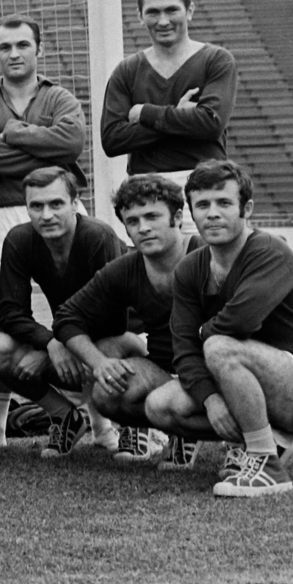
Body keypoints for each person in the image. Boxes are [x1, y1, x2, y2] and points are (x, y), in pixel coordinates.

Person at [168, 160, 293, 498]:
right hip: (243, 372)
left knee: (219, 346)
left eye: (224, 203)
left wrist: (200, 335)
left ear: (246, 208)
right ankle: (250, 442)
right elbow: (182, 348)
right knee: (161, 405)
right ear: (191, 213)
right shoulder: (190, 268)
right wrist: (211, 400)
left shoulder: (269, 251)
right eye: (203, 205)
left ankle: (266, 463)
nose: (212, 213)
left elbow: (239, 322)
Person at [0, 166, 127, 458]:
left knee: (109, 346)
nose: (46, 215)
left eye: (56, 204)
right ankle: (65, 416)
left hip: (118, 342)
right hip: (68, 340)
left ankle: (120, 428)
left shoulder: (99, 237)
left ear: (75, 203)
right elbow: (10, 313)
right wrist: (49, 343)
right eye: (36, 206)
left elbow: (113, 315)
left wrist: (62, 344)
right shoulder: (19, 239)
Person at [53, 174, 201, 468]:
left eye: (152, 216)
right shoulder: (126, 268)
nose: (143, 228)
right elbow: (67, 318)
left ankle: (247, 444)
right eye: (132, 221)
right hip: (164, 370)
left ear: (179, 217)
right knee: (107, 385)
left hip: (213, 368)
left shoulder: (208, 255)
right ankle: (176, 432)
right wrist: (99, 363)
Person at [0, 16, 87, 332]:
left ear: (39, 49)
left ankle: (76, 378)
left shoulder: (60, 97)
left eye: (22, 45)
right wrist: (48, 151)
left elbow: (71, 144)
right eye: (5, 47)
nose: (14, 53)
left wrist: (16, 133)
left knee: (80, 314)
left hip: (59, 208)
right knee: (2, 323)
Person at [100, 0, 237, 226]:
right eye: (153, 12)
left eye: (172, 10)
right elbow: (112, 139)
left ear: (190, 11)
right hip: (146, 190)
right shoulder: (127, 70)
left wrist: (146, 114)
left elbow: (209, 124)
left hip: (206, 187)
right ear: (140, 16)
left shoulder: (216, 60)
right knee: (154, 266)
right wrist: (178, 113)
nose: (163, 21)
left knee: (209, 265)